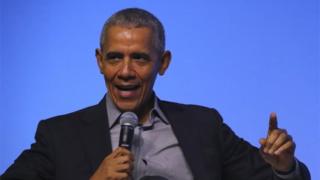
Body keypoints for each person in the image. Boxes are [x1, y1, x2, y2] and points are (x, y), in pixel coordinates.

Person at [1, 8, 310, 180]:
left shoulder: (204, 126)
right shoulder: (58, 135)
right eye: (114, 57)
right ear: (99, 61)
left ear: (163, 63)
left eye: (139, 58)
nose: (125, 71)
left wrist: (284, 167)